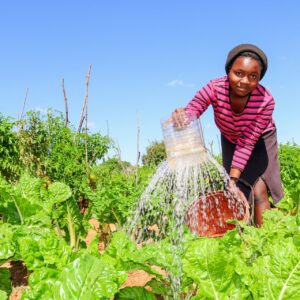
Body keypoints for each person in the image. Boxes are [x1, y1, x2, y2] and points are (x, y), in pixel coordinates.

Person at [172, 43, 284, 227]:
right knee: (237, 190)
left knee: (260, 188)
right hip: (230, 138)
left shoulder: (266, 101)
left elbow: (248, 142)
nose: (244, 81)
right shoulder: (215, 88)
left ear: (259, 79)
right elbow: (195, 107)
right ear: (228, 71)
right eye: (238, 73)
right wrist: (183, 115)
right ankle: (243, 235)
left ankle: (266, 238)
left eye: (253, 76)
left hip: (261, 139)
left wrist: (232, 178)